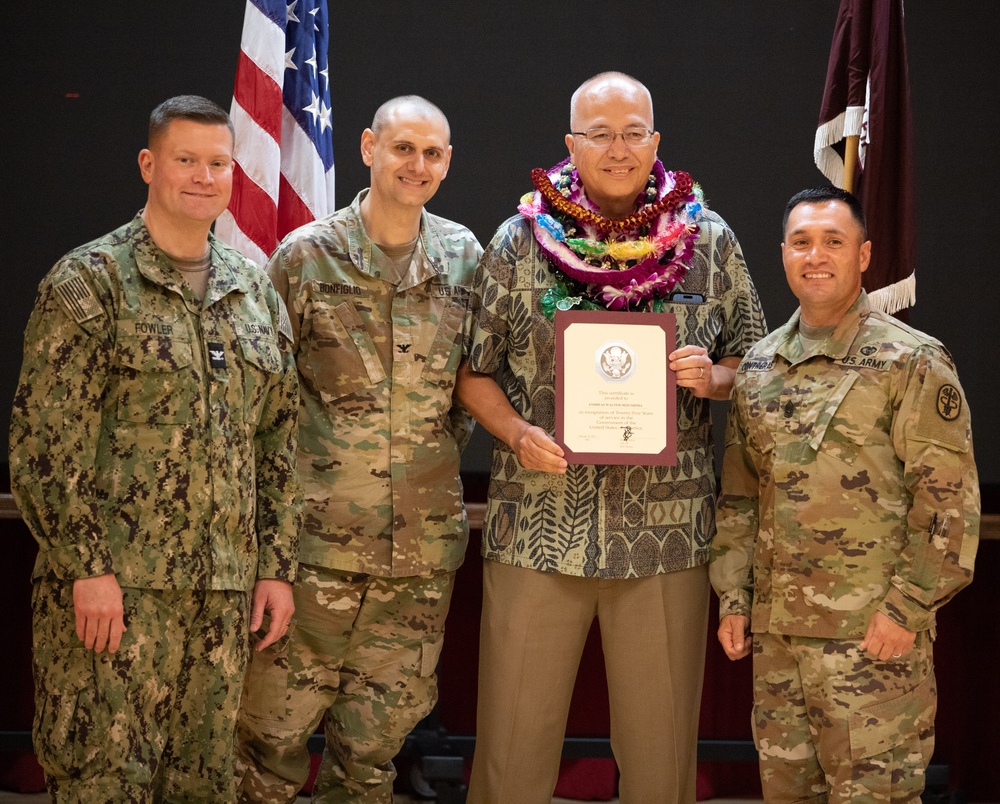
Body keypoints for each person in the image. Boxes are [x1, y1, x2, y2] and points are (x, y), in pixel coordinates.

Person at [456, 71, 767, 804]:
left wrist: (714, 381)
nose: (618, 148)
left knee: (661, 767)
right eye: (600, 133)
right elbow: (472, 372)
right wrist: (517, 432)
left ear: (656, 141)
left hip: (665, 540)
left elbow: (757, 362)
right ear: (571, 143)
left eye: (633, 133)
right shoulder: (519, 238)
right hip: (537, 529)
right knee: (510, 755)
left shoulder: (709, 241)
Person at [8, 95, 301, 803]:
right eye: (185, 161)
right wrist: (87, 568)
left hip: (222, 601)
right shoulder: (89, 283)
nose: (203, 177)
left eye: (218, 163)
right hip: (116, 598)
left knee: (204, 786)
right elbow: (44, 445)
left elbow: (278, 442)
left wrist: (275, 567)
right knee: (105, 784)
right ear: (149, 165)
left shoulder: (253, 291)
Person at [235, 95, 483, 803]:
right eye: (403, 147)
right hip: (313, 551)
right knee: (269, 742)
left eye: (433, 153)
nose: (418, 165)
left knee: (375, 752)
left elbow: (464, 393)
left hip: (418, 556)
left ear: (448, 162)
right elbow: (269, 400)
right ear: (370, 147)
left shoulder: (465, 258)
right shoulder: (306, 257)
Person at [710, 185, 980, 803]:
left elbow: (947, 504)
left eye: (834, 241)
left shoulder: (911, 361)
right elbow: (741, 500)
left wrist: (906, 608)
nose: (816, 255)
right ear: (783, 253)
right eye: (801, 242)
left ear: (863, 255)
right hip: (778, 647)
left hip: (874, 642)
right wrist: (734, 596)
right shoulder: (758, 367)